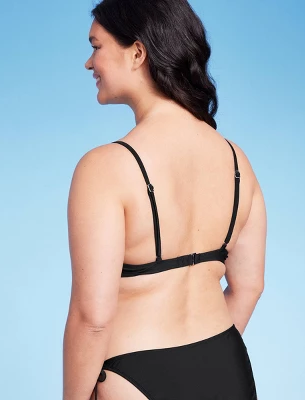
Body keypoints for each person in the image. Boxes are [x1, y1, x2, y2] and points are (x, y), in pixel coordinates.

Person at [63, 1, 267, 399]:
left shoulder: (104, 168)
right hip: (225, 368)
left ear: (137, 53)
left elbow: (92, 318)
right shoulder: (237, 161)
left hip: (132, 376)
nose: (89, 63)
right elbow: (249, 286)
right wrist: (200, 366)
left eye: (96, 47)